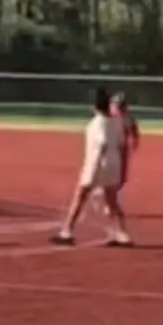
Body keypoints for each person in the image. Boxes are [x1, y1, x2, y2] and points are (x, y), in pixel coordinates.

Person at [52, 87, 133, 247]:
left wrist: (89, 173)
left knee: (80, 197)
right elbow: (123, 146)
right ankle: (122, 234)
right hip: (113, 163)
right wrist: (123, 170)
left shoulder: (95, 124)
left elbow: (99, 146)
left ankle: (66, 231)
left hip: (98, 164)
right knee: (111, 201)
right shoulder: (117, 122)